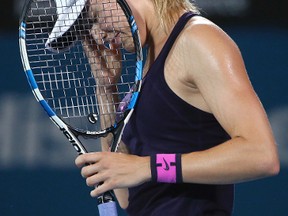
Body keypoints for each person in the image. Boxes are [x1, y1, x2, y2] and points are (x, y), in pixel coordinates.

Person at [47, 0, 280, 215]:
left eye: (94, 18)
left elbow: (261, 155)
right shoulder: (153, 61)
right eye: (87, 29)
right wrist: (106, 90)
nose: (98, 36)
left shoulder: (198, 39)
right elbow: (125, 194)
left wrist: (147, 167)